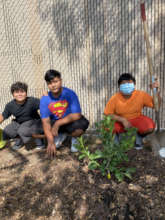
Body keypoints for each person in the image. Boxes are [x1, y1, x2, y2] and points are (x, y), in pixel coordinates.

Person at [40, 69, 89, 157]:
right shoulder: (45, 99)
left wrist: (58, 124)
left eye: (55, 81)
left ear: (61, 81)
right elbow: (45, 121)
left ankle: (74, 139)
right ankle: (60, 135)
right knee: (37, 130)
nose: (53, 85)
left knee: (81, 125)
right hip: (54, 122)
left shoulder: (69, 93)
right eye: (50, 83)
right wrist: (50, 142)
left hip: (68, 121)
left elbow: (77, 114)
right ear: (47, 84)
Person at [104, 73, 160, 149]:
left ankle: (138, 139)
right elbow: (107, 114)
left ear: (134, 84)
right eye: (124, 83)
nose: (127, 85)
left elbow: (156, 105)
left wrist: (155, 91)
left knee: (149, 126)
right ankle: (115, 145)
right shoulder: (114, 98)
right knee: (107, 126)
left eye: (129, 83)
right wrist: (123, 120)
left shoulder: (141, 95)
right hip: (120, 121)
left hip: (136, 118)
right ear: (119, 86)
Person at [0, 82, 44, 150]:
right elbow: (3, 116)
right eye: (17, 92)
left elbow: (44, 105)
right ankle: (20, 141)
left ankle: (39, 141)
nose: (19, 94)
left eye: (22, 91)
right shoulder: (10, 105)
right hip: (19, 122)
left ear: (26, 93)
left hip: (33, 121)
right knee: (7, 130)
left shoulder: (32, 101)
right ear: (13, 94)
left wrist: (45, 97)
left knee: (23, 130)